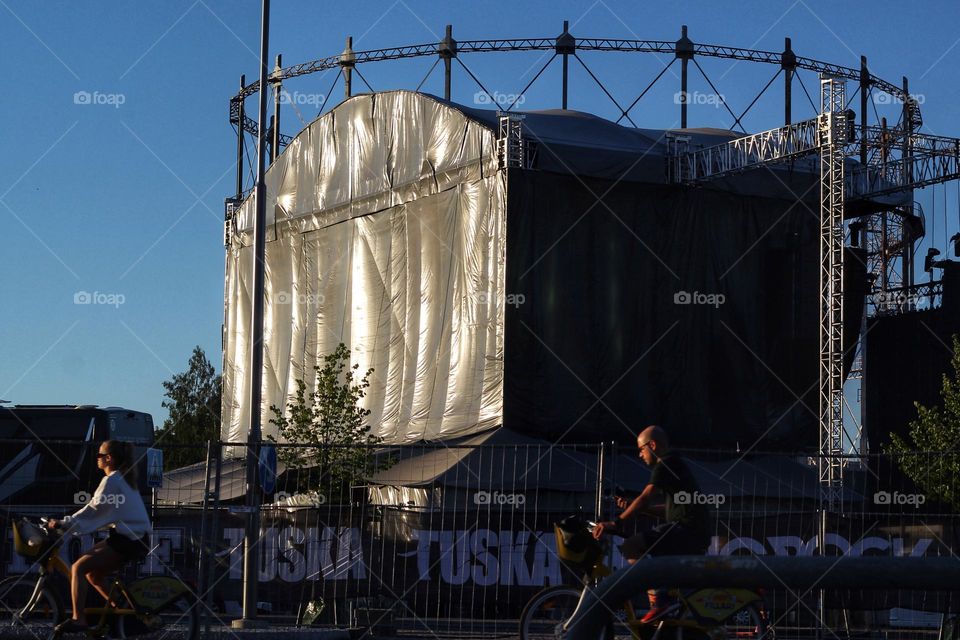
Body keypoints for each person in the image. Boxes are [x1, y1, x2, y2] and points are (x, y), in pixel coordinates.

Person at [592, 425, 710, 623]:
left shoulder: (665, 464)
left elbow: (646, 497)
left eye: (641, 449)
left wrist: (616, 522)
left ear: (652, 445)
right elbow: (668, 509)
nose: (640, 455)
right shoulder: (675, 463)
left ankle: (661, 601)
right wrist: (636, 507)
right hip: (693, 531)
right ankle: (665, 602)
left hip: (687, 530)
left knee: (631, 546)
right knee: (649, 550)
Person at [47, 440, 152, 634]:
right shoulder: (123, 479)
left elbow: (93, 510)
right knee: (93, 575)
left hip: (128, 540)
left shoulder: (112, 481)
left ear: (108, 458)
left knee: (78, 568)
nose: (96, 458)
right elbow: (103, 512)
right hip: (133, 538)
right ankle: (125, 614)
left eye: (99, 455)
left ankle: (78, 619)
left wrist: (63, 523)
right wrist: (68, 523)